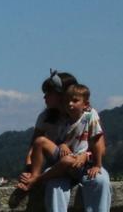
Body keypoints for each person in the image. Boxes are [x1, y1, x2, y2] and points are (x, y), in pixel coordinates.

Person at [43, 82, 111, 212]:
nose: (70, 104)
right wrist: (63, 145)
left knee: (101, 181)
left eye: (74, 100)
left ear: (85, 102)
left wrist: (94, 161)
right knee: (54, 186)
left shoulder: (90, 116)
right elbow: (59, 141)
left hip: (85, 162)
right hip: (66, 164)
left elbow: (97, 142)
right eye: (67, 100)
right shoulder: (60, 119)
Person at [16, 69, 78, 198]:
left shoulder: (81, 116)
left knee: (41, 141)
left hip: (76, 161)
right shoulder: (45, 117)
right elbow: (33, 148)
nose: (45, 97)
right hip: (57, 162)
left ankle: (35, 179)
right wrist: (28, 170)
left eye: (49, 93)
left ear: (62, 95)